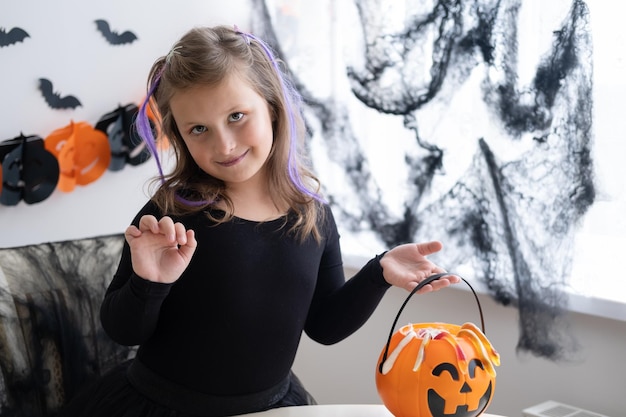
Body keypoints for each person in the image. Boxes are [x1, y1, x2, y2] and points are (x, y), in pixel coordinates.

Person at [60, 25, 459, 417]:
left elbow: (324, 326)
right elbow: (123, 331)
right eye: (199, 129)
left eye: (236, 116)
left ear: (271, 107)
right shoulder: (171, 215)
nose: (224, 144)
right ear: (180, 137)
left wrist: (378, 274)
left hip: (270, 407)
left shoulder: (313, 216)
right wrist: (149, 283)